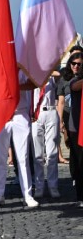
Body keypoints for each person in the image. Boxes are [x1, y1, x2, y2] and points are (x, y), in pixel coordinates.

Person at [0, 71, 39, 208]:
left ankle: (27, 195)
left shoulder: (22, 67)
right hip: (1, 114)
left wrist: (15, 85)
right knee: (0, 158)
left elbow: (34, 83)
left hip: (19, 114)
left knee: (23, 158)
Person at [59, 52, 83, 207]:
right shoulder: (73, 80)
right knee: (78, 162)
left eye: (79, 64)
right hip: (75, 127)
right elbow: (75, 87)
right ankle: (80, 195)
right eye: (73, 63)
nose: (75, 66)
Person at [32, 76, 60, 198]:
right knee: (37, 154)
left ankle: (53, 186)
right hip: (35, 113)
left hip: (50, 111)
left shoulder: (52, 76)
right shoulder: (30, 74)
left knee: (52, 153)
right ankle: (39, 186)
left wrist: (45, 72)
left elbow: (59, 74)